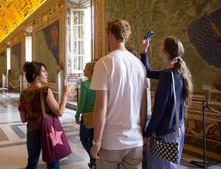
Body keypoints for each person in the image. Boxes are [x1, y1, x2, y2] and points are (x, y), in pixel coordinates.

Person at [90, 18, 147, 169]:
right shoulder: (140, 65)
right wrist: (142, 133)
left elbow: (100, 107)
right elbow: (144, 105)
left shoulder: (104, 63)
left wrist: (96, 142)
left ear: (110, 34)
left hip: (111, 141)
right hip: (135, 140)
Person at [140, 36, 193, 168]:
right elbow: (149, 72)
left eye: (161, 45)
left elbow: (159, 110)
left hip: (165, 133)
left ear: (166, 52)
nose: (159, 47)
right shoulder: (177, 72)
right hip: (177, 129)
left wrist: (146, 133)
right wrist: (143, 52)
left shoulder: (167, 75)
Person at [18, 61, 68, 169]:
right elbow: (59, 112)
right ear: (35, 76)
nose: (47, 74)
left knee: (32, 163)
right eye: (44, 72)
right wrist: (65, 94)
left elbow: (23, 119)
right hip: (48, 131)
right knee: (53, 162)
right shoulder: (45, 91)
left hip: (32, 132)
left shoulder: (22, 95)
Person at [75, 61, 96, 169]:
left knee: (84, 138)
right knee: (93, 139)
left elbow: (82, 102)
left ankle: (94, 160)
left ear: (90, 71)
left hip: (88, 116)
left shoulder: (85, 84)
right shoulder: (100, 83)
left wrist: (77, 115)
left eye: (85, 69)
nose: (83, 70)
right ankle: (94, 162)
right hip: (98, 116)